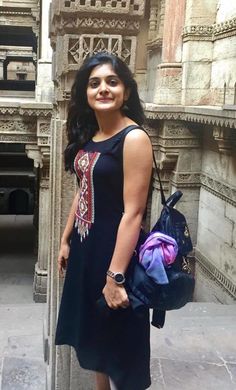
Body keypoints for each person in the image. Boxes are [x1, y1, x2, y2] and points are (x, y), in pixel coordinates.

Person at [55, 52, 153, 390]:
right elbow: (83, 191)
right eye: (95, 83)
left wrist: (115, 277)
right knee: (95, 340)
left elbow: (134, 213)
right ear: (85, 92)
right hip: (85, 250)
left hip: (115, 254)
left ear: (126, 91)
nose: (104, 89)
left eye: (113, 82)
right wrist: (67, 238)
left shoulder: (134, 139)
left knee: (120, 346)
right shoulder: (91, 137)